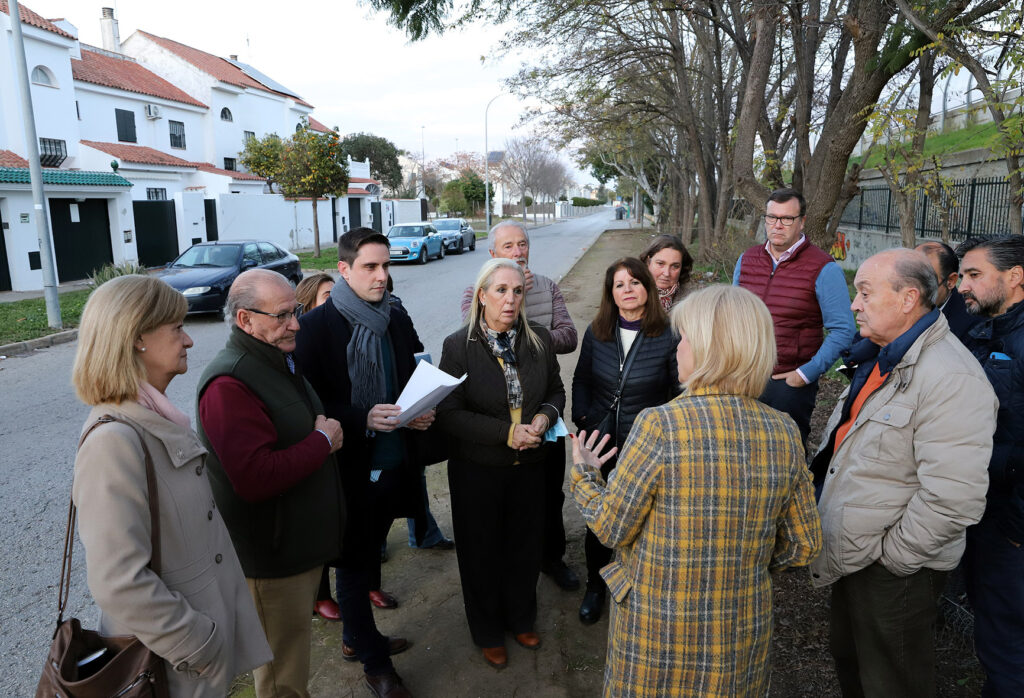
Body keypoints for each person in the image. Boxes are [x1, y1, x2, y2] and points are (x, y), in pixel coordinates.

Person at [569, 284, 822, 697]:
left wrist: (584, 475)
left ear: (708, 348)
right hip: (740, 636)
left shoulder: (660, 426)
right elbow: (804, 544)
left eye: (684, 338)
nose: (678, 349)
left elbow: (611, 528)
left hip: (656, 636)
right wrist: (738, 566)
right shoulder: (783, 430)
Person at [71, 275, 272, 697]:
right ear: (137, 338)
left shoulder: (155, 418)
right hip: (170, 665)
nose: (189, 341)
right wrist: (198, 641)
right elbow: (118, 580)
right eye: (177, 328)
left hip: (191, 662)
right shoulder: (114, 441)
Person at [810, 248, 996, 698]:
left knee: (892, 681)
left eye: (865, 293)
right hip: (857, 552)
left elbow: (954, 497)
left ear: (908, 298)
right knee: (852, 660)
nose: (854, 304)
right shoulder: (885, 355)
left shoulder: (951, 377)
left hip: (893, 567)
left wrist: (891, 559)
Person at [294, 227, 433, 698]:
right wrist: (361, 417)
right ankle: (375, 665)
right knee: (352, 563)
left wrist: (420, 408)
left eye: (386, 266)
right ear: (344, 269)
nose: (381, 276)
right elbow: (307, 405)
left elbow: (416, 370)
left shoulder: (395, 315)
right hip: (347, 466)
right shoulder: (314, 328)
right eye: (370, 267)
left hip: (395, 458)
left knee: (373, 549)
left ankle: (360, 636)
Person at [196, 269, 345, 698]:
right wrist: (322, 441)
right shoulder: (230, 383)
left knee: (292, 665)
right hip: (271, 561)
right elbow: (254, 478)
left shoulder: (274, 358)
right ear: (245, 320)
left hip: (294, 549)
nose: (295, 324)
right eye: (281, 316)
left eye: (295, 312)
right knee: (282, 680)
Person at [439, 257, 566, 670]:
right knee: (481, 552)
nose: (509, 300)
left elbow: (556, 391)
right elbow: (450, 413)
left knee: (525, 545)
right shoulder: (459, 347)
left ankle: (520, 617)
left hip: (531, 465)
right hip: (478, 468)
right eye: (500, 291)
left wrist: (544, 418)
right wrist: (505, 433)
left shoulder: (539, 339)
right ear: (481, 296)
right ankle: (488, 630)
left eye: (516, 291)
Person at [460, 220, 580, 592]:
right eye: (508, 246)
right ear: (493, 253)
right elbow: (472, 337)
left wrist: (531, 338)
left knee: (550, 492)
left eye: (522, 244)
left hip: (544, 407)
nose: (517, 251)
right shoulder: (477, 292)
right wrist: (508, 303)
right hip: (502, 418)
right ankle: (512, 564)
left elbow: (569, 336)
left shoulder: (547, 287)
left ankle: (552, 558)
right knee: (511, 500)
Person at [570, 257, 679, 625]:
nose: (628, 290)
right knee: (600, 517)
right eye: (620, 285)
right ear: (610, 293)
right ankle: (595, 585)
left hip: (645, 444)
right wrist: (583, 418)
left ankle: (642, 584)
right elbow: (582, 379)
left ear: (647, 288)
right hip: (601, 441)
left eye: (635, 282)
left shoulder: (668, 335)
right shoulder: (597, 331)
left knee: (646, 518)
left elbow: (677, 390)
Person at [956, 235, 1024, 697]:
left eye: (974, 275)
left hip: (1011, 522)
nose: (962, 285)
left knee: (1006, 646)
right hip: (987, 511)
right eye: (962, 275)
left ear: (1015, 277)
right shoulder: (983, 329)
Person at [733, 187, 856, 444]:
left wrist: (805, 374)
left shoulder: (824, 268)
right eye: (772, 217)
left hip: (787, 384)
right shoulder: (747, 260)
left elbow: (843, 330)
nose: (778, 225)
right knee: (738, 452)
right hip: (742, 378)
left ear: (801, 222)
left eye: (787, 219)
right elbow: (732, 317)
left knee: (785, 455)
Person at [916, 241, 981, 343]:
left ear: (950, 281)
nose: (912, 291)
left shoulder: (972, 327)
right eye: (907, 277)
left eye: (925, 281)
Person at [639, 234, 694, 310]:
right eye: (660, 264)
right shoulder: (631, 295)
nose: (666, 273)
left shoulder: (691, 303)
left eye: (675, 266)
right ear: (648, 262)